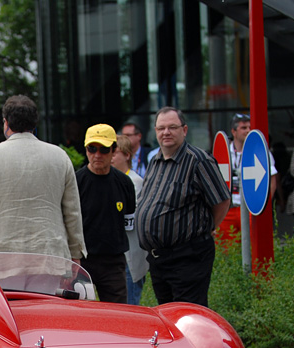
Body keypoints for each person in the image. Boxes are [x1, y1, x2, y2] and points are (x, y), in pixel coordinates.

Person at [0, 95, 85, 262]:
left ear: (6, 122)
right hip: (50, 256)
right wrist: (76, 253)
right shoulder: (60, 157)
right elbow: (73, 212)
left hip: (2, 259)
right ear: (34, 123)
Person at [135, 106, 231, 307]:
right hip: (158, 259)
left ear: (184, 130)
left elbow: (222, 200)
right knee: (167, 315)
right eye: (161, 128)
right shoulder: (155, 161)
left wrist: (209, 226)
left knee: (187, 315)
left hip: (187, 257)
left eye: (172, 127)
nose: (166, 132)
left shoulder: (198, 161)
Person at [75, 124, 136, 304]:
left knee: (118, 314)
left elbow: (129, 221)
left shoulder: (125, 183)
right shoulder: (76, 182)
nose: (97, 155)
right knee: (81, 315)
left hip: (113, 261)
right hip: (82, 261)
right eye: (92, 149)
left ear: (114, 150)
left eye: (104, 149)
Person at [112, 134, 148, 305]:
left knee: (129, 307)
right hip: (114, 257)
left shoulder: (135, 183)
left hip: (130, 259)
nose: (109, 157)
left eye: (114, 152)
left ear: (127, 155)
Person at [228, 113, 277, 214]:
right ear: (234, 131)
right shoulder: (225, 151)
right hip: (229, 209)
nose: (248, 130)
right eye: (244, 128)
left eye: (250, 127)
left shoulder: (261, 151)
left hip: (251, 210)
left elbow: (272, 181)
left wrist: (262, 207)